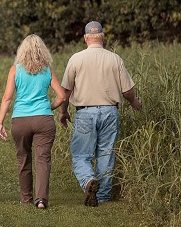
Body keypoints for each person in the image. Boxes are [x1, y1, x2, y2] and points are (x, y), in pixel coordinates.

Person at [59, 21, 142, 207]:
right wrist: (134, 102)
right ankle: (103, 195)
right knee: (106, 154)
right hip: (109, 112)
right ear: (103, 37)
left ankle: (89, 181)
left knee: (81, 155)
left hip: (85, 113)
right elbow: (127, 90)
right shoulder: (115, 59)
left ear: (85, 38)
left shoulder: (76, 59)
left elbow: (66, 91)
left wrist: (63, 112)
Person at [0, 34, 67, 209]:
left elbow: (6, 98)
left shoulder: (15, 70)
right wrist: (49, 108)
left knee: (23, 158)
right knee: (43, 159)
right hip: (44, 120)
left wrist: (0, 121)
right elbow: (62, 96)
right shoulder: (47, 70)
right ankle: (41, 200)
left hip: (20, 120)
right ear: (41, 50)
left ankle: (26, 198)